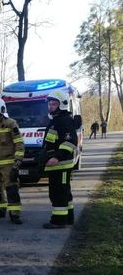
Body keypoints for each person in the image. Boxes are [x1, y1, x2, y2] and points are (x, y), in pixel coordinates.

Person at [42, 91, 78, 229]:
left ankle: (58, 221)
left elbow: (70, 142)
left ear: (62, 105)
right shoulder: (55, 120)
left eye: (54, 104)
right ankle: (68, 218)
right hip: (56, 164)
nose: (51, 106)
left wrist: (57, 157)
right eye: (50, 104)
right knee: (64, 191)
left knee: (58, 193)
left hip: (61, 164)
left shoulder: (64, 120)